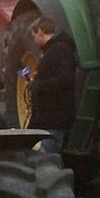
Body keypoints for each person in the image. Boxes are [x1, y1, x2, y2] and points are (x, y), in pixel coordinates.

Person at [28, 17, 79, 154]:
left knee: (48, 159)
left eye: (34, 36)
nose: (34, 40)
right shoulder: (54, 51)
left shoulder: (59, 51)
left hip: (54, 119)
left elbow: (64, 81)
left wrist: (37, 85)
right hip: (50, 119)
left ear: (40, 32)